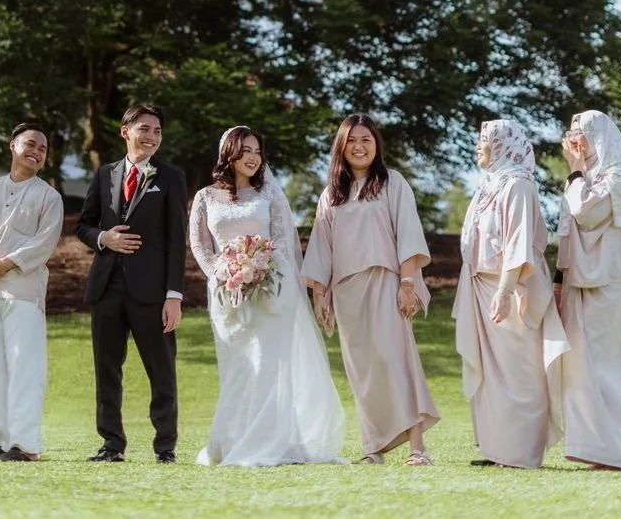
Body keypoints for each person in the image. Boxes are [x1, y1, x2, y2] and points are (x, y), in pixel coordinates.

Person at [189, 126, 345, 467]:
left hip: (272, 293)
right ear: (228, 152)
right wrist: (223, 273)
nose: (253, 157)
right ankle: (231, 441)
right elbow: (200, 245)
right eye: (245, 150)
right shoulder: (204, 197)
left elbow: (283, 244)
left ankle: (270, 441)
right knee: (237, 367)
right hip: (225, 294)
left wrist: (264, 273)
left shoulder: (270, 196)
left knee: (268, 366)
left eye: (257, 151)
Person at [302, 114, 439, 465]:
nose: (359, 147)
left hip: (386, 282)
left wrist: (407, 283)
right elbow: (321, 248)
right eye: (352, 141)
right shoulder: (331, 194)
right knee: (362, 372)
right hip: (347, 292)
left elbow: (407, 233)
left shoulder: (393, 183)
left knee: (397, 362)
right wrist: (320, 294)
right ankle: (372, 449)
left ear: (376, 145)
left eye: (366, 139)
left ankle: (417, 448)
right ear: (341, 147)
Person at [452, 118, 568, 468]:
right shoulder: (489, 185)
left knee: (520, 372)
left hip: (512, 288)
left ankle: (521, 453)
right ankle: (497, 449)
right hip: (479, 286)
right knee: (491, 373)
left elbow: (518, 243)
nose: (478, 145)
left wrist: (504, 291)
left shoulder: (517, 185)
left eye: (484, 139)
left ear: (502, 144)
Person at [76, 102, 188, 463]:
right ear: (126, 132)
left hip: (153, 293)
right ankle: (111, 445)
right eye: (145, 128)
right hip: (106, 288)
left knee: (162, 372)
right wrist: (103, 238)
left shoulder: (171, 177)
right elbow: (84, 225)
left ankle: (165, 447)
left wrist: (174, 295)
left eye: (157, 130)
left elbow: (176, 240)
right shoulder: (105, 173)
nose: (152, 136)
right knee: (107, 371)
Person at [0, 120, 65, 463]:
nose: (35, 152)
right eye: (30, 144)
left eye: (42, 148)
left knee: (25, 368)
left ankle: (25, 445)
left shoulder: (48, 197)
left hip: (22, 292)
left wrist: (7, 263)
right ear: (13, 146)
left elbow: (44, 243)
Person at [556, 110, 621, 470]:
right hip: (581, 280)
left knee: (605, 364)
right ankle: (597, 448)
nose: (574, 141)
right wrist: (559, 279)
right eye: (571, 133)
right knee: (581, 365)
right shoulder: (585, 177)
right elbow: (567, 231)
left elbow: (586, 213)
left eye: (581, 134)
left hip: (609, 282)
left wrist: (575, 170)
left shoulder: (620, 178)